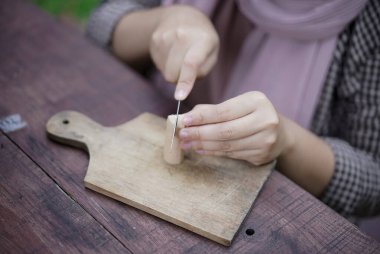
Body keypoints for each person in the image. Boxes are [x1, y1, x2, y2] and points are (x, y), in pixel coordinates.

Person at [86, 0, 380, 219]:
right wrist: (161, 21)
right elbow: (98, 27)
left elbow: (373, 182)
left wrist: (288, 142)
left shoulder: (370, 19)